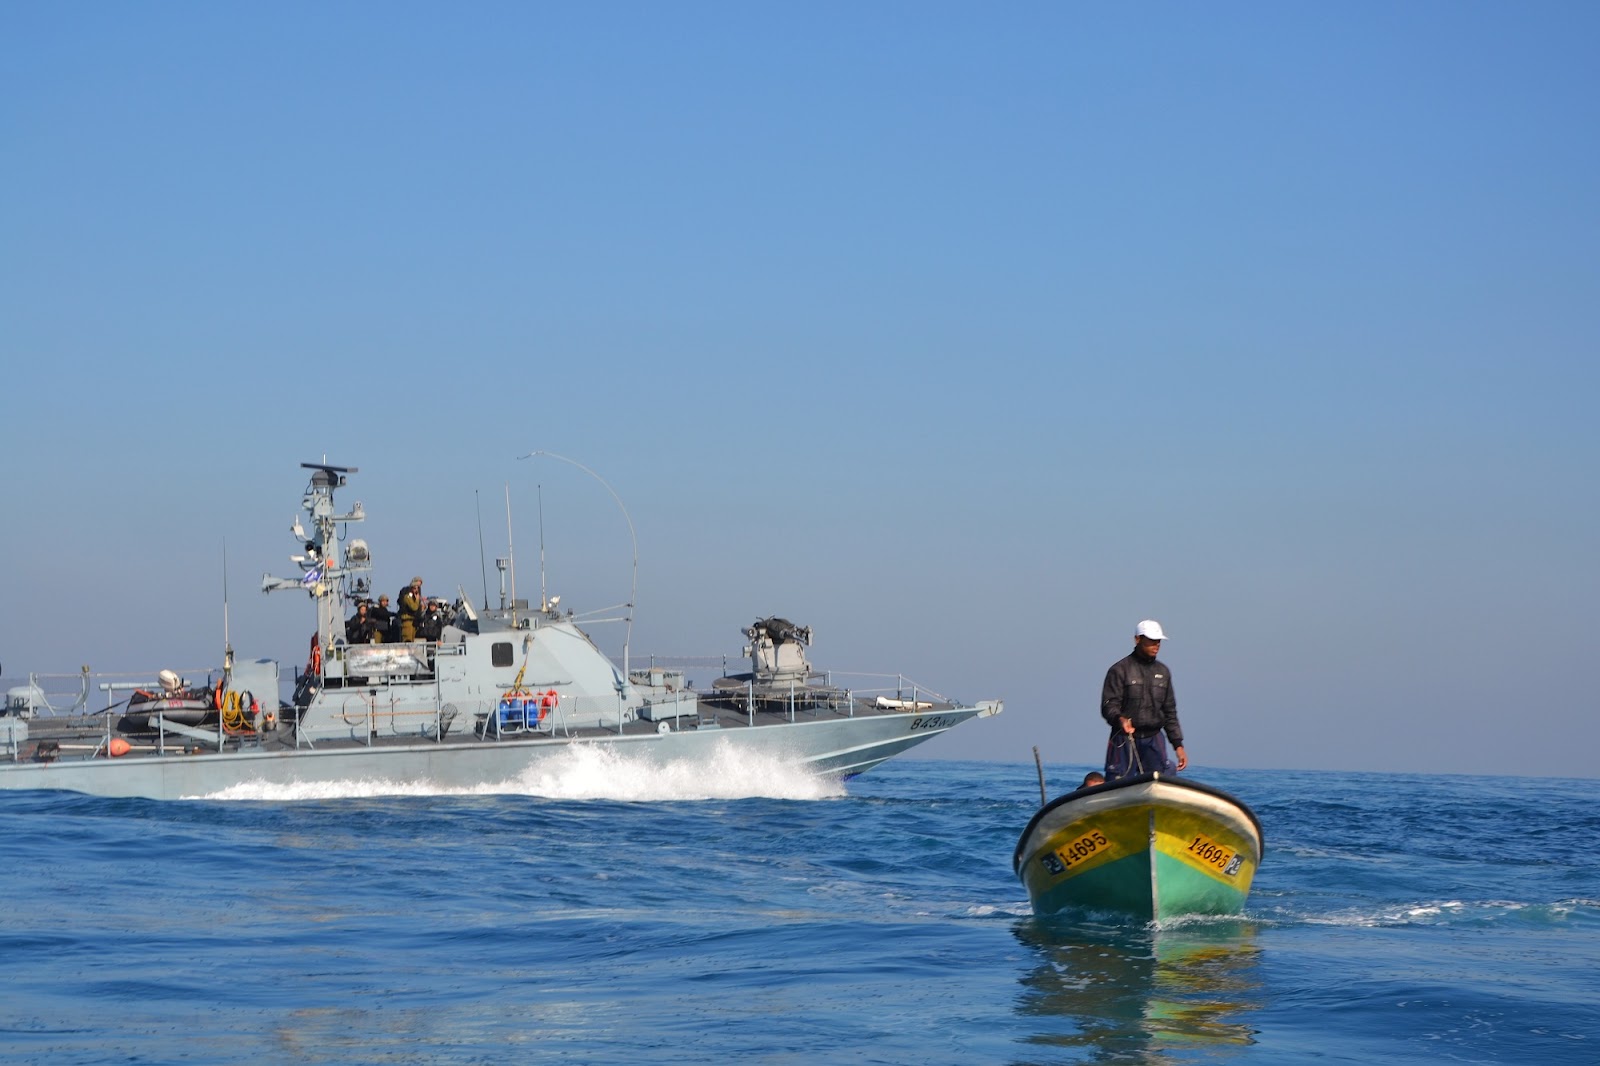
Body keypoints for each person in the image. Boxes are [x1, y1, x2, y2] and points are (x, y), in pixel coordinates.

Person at [1100, 619, 1187, 782]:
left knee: (1160, 780)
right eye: (1151, 641)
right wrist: (1120, 719)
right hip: (1124, 740)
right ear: (1138, 639)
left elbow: (1170, 711)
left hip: (1154, 739)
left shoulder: (1163, 671)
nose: (1156, 645)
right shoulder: (1119, 670)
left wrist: (1178, 745)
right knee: (1117, 782)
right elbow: (1108, 705)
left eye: (1158, 641)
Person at [398, 577, 424, 642]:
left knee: (412, 641)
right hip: (407, 620)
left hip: (414, 621)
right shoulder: (407, 595)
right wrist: (417, 600)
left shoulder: (415, 595)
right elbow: (414, 607)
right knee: (408, 640)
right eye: (416, 587)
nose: (417, 589)